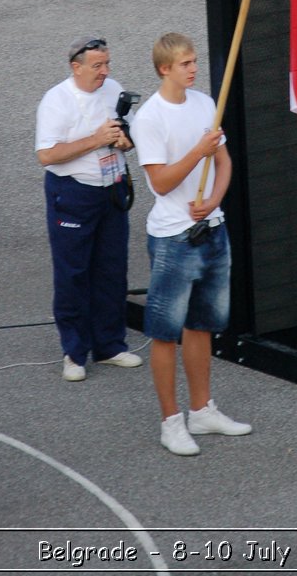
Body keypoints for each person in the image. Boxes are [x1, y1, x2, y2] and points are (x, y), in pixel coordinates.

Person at [131, 32, 252, 456]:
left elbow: (224, 161)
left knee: (201, 325)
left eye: (194, 61)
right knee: (165, 333)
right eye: (185, 63)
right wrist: (199, 150)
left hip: (212, 229)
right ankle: (171, 421)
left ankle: (202, 410)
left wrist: (216, 200)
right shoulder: (149, 118)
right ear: (165, 69)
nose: (193, 68)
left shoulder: (204, 105)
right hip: (172, 240)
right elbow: (160, 182)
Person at [35, 35, 143, 381]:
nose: (105, 72)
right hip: (72, 194)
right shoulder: (56, 100)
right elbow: (47, 155)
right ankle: (75, 352)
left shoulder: (113, 89)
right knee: (73, 272)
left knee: (112, 268)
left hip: (111, 189)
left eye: (107, 64)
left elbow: (128, 139)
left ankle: (110, 345)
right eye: (97, 66)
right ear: (75, 67)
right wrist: (96, 140)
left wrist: (124, 140)